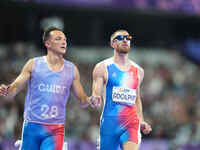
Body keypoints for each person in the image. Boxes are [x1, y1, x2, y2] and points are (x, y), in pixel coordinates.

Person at [0, 26, 99, 150]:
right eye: (58, 39)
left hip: (55, 129)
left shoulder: (72, 69)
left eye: (65, 39)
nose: (64, 42)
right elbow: (14, 89)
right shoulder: (33, 64)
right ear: (48, 43)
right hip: (32, 126)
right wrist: (7, 90)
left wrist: (91, 100)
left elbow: (82, 100)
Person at [92, 29, 152, 150]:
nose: (125, 40)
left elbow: (137, 99)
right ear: (112, 44)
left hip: (131, 123)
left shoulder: (138, 70)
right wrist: (95, 96)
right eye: (119, 38)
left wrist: (141, 120)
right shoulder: (102, 67)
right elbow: (96, 91)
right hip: (109, 123)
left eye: (127, 38)